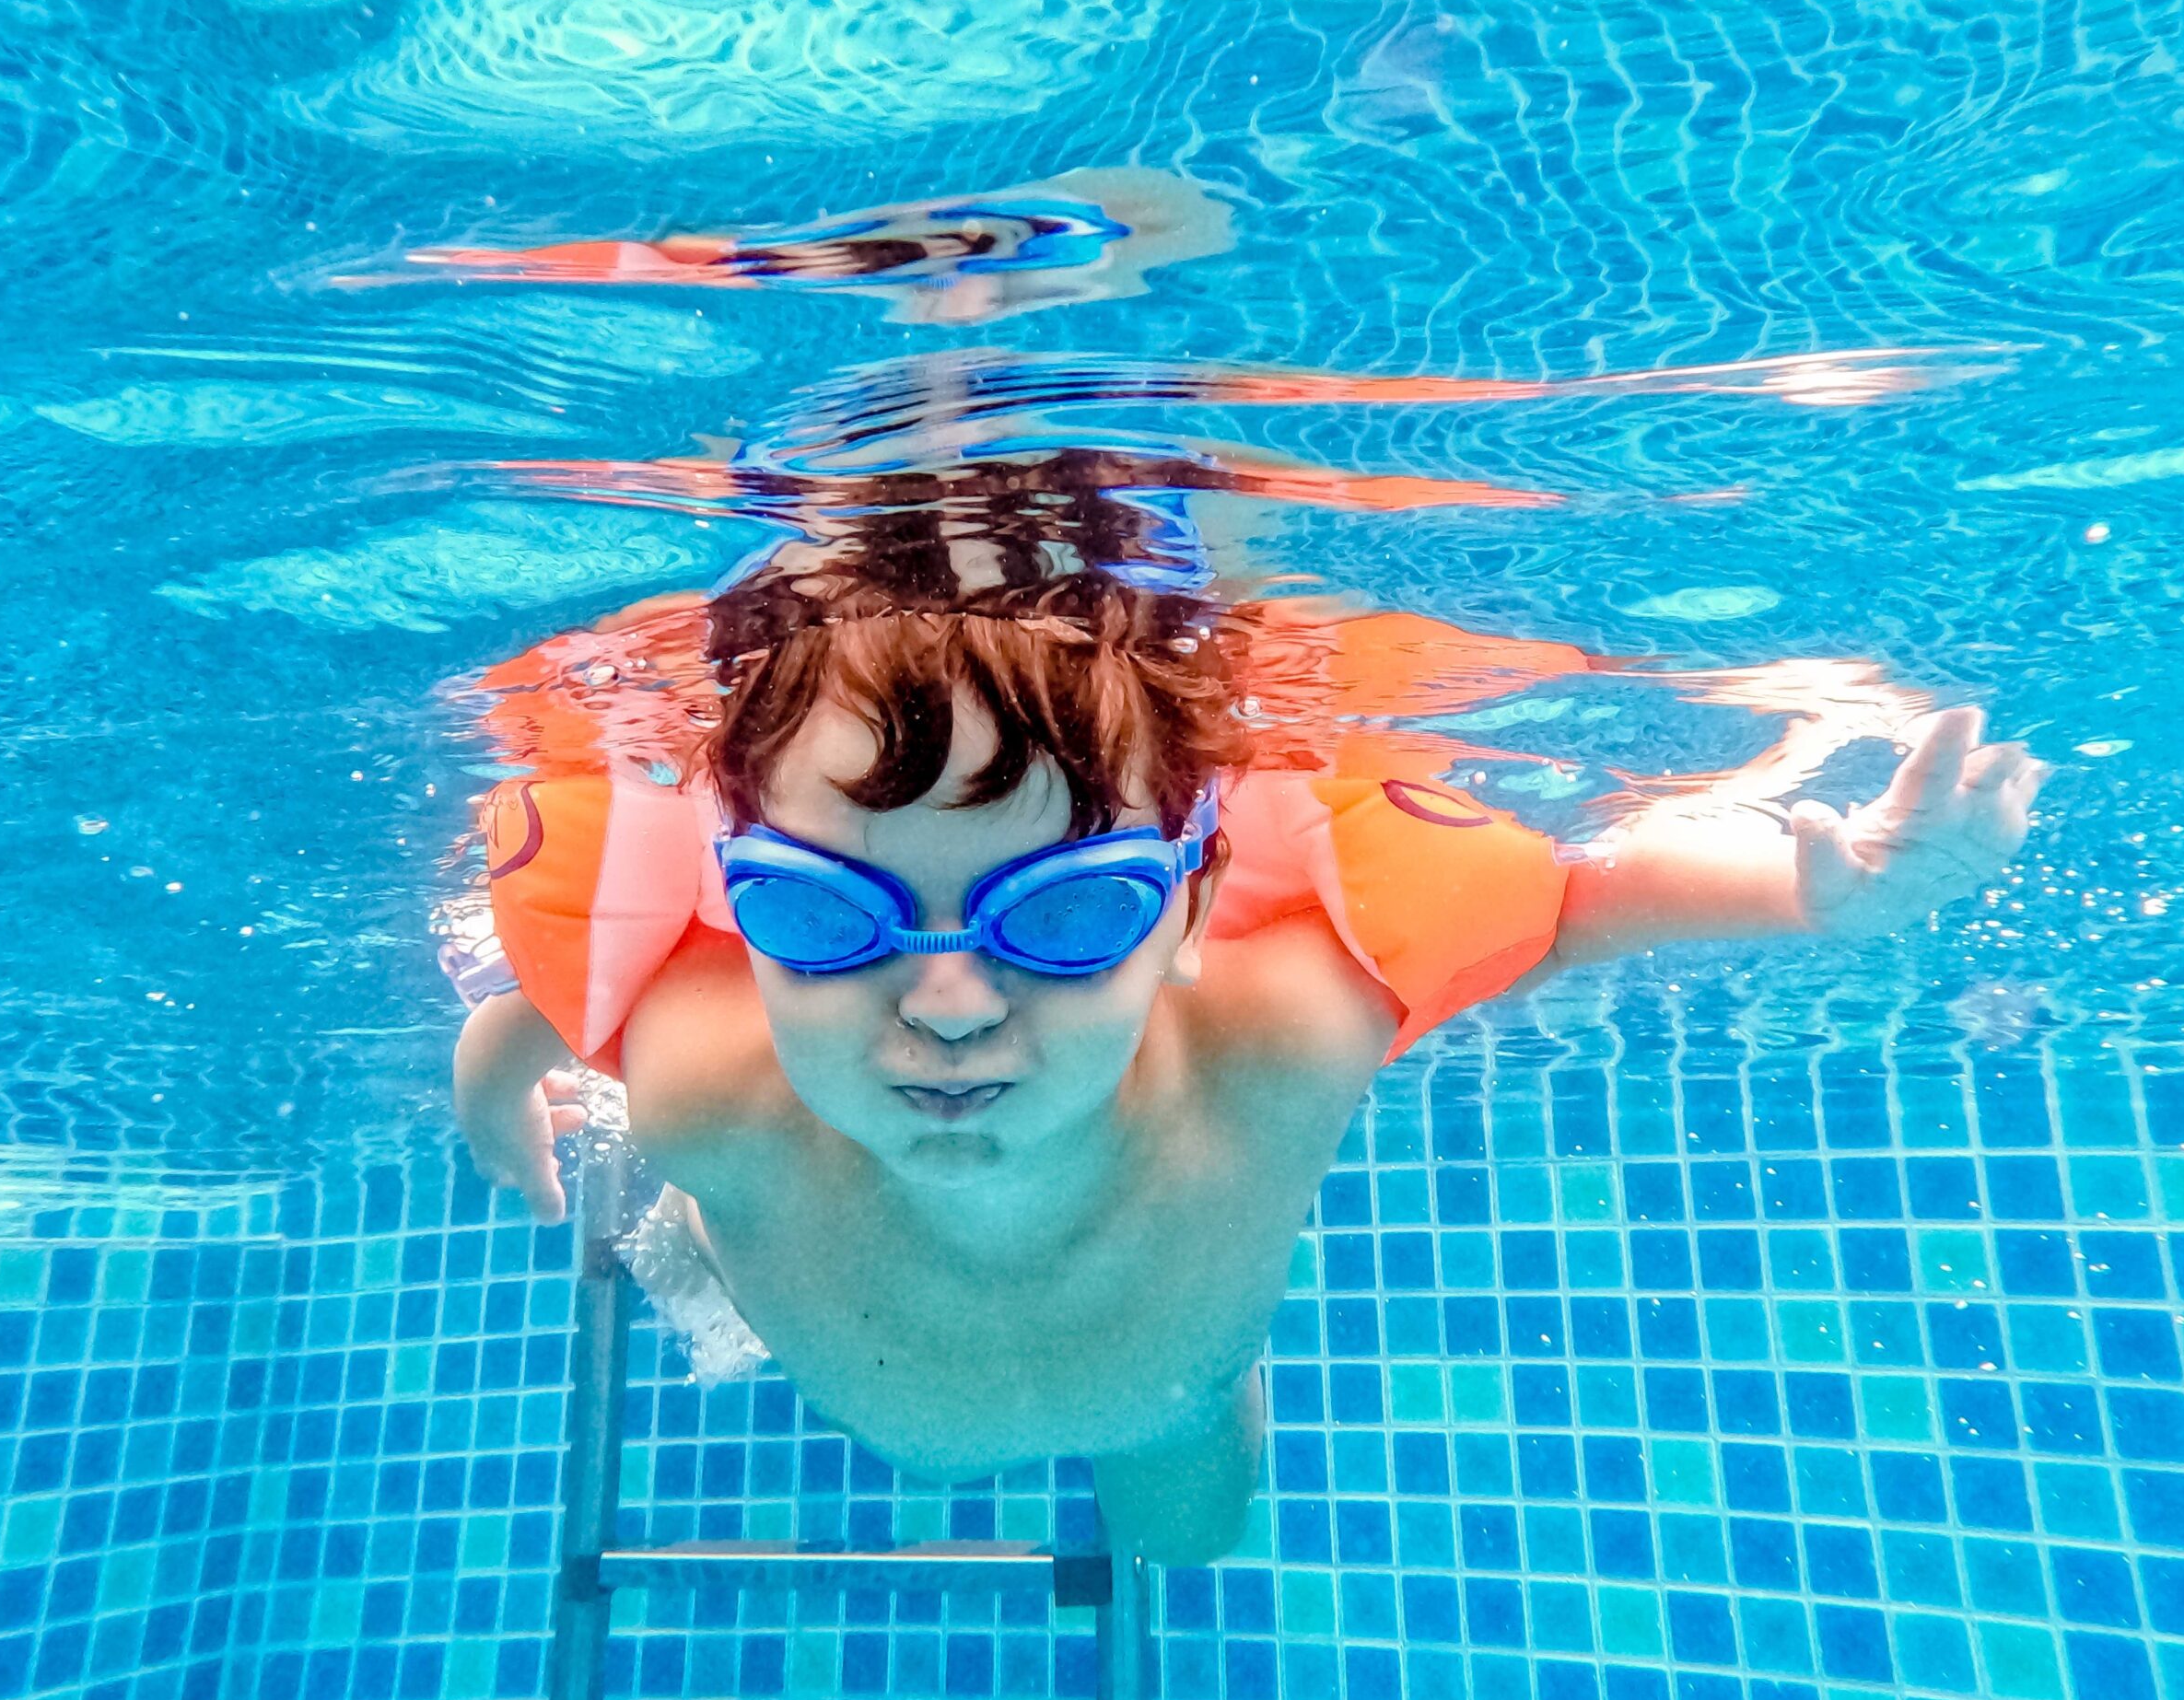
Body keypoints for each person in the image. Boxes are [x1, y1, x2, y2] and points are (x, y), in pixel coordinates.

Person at [450, 494, 2047, 1564]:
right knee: (912, 1435)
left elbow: (1572, 898)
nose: (946, 1004)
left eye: (1067, 913)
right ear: (743, 903)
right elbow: (565, 998)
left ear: (1194, 911)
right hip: (867, 1367)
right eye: (822, 916)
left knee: (1186, 1533)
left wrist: (1815, 896)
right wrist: (495, 1084)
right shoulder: (700, 1098)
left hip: (1172, 1389)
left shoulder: (1281, 1047)